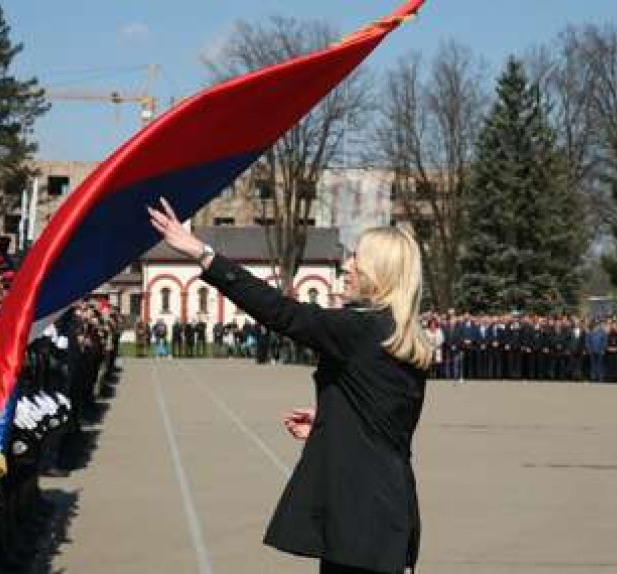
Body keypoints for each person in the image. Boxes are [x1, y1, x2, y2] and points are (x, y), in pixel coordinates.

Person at [149, 198, 431, 574]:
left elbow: (282, 313)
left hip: (358, 517)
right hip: (389, 512)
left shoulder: (359, 329)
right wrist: (330, 419)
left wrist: (203, 254)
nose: (347, 267)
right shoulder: (397, 334)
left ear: (378, 272)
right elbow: (385, 421)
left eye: (356, 259)